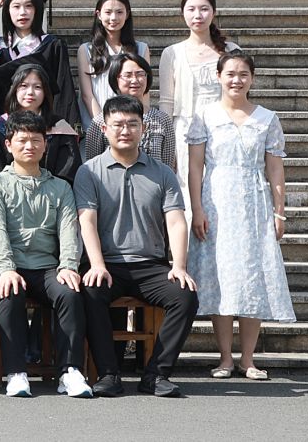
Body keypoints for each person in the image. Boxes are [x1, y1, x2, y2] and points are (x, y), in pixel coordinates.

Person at [74, 96, 198, 398]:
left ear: (143, 128)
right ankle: (109, 374)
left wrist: (179, 266)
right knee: (90, 292)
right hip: (107, 264)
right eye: (118, 124)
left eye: (132, 124)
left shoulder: (163, 173)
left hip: (150, 264)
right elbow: (86, 220)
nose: (125, 130)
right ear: (104, 129)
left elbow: (176, 222)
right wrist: (97, 264)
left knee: (185, 296)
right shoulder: (89, 171)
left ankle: (156, 374)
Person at [185, 51, 294, 379]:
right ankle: (225, 358)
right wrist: (197, 208)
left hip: (254, 203)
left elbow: (275, 168)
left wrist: (279, 213)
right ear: (218, 76)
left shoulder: (267, 118)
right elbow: (195, 167)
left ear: (252, 78)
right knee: (220, 277)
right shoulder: (204, 116)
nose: (236, 80)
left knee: (251, 278)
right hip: (216, 202)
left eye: (243, 74)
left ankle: (248, 359)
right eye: (230, 73)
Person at [0, 111, 92, 399]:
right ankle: (16, 373)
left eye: (36, 140)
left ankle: (70, 371)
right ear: (8, 145)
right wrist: (6, 268)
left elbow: (69, 229)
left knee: (69, 293)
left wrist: (68, 266)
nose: (29, 146)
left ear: (45, 145)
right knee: (10, 291)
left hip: (46, 266)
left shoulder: (60, 187)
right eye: (22, 140)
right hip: (4, 265)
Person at [158, 0, 236, 167]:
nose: (197, 15)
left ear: (214, 12)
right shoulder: (172, 53)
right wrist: (168, 145)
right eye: (191, 9)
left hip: (225, 129)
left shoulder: (231, 51)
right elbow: (166, 103)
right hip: (184, 132)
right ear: (183, 13)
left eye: (204, 9)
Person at [0, 0, 76, 127]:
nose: (22, 12)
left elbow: (63, 90)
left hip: (44, 126)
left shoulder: (52, 45)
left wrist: (60, 127)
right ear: (7, 10)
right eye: (16, 6)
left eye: (29, 6)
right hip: (5, 127)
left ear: (37, 10)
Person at [82, 53, 175, 171]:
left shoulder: (162, 120)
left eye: (140, 74)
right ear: (116, 78)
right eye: (128, 75)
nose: (134, 80)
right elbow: (93, 167)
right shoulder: (100, 122)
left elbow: (167, 167)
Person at [0, 61, 81, 181]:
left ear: (45, 92)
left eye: (37, 87)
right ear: (14, 89)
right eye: (23, 86)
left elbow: (68, 172)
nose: (30, 92)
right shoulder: (0, 125)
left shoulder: (59, 127)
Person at [78, 0, 148, 128]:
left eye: (119, 12)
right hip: (96, 125)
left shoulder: (141, 49)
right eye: (108, 12)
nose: (114, 17)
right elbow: (87, 95)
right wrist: (105, 126)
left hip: (129, 127)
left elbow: (144, 93)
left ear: (127, 14)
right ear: (98, 15)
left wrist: (139, 123)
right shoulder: (86, 50)